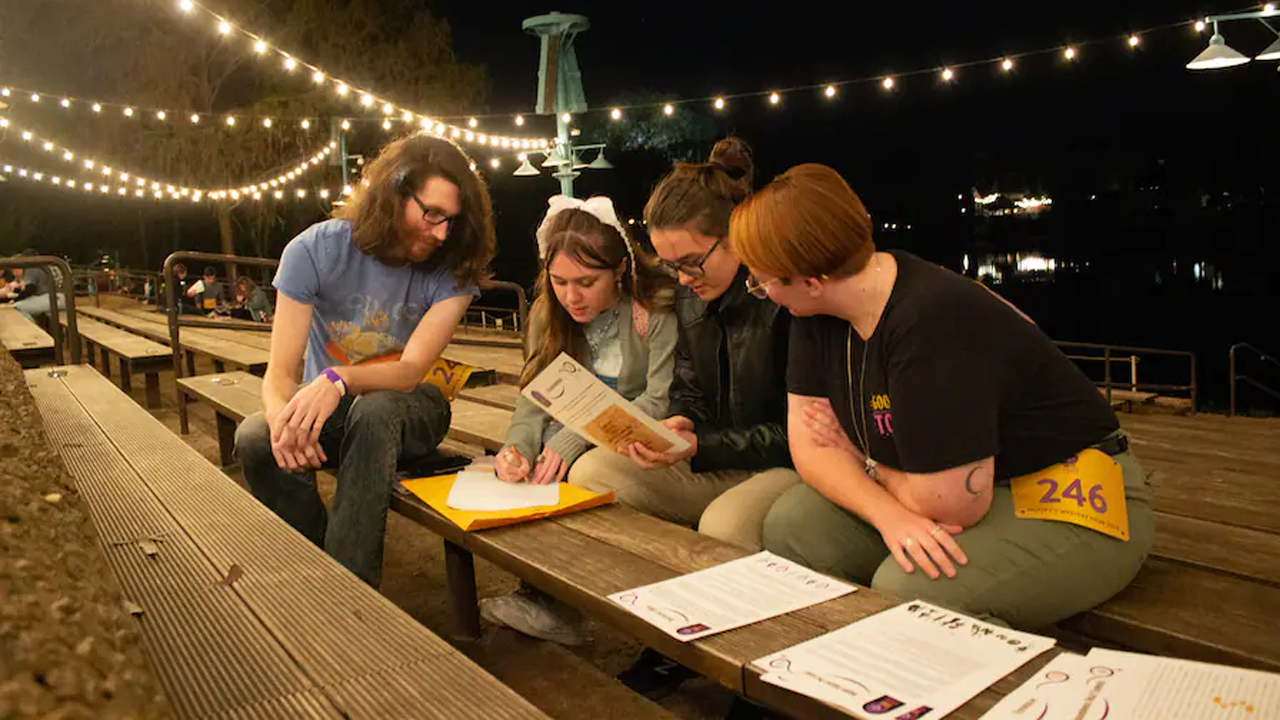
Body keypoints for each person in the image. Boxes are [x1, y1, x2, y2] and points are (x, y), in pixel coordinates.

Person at [733, 164, 1154, 630]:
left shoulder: (932, 321)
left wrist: (864, 458)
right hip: (956, 484)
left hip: (1073, 490)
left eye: (762, 281)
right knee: (793, 526)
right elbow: (810, 447)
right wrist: (888, 512)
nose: (763, 294)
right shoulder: (814, 315)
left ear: (811, 280)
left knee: (910, 589)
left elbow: (952, 503)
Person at [233, 133, 495, 587]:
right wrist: (284, 423)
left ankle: (350, 592)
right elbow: (281, 372)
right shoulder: (314, 251)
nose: (440, 233)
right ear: (392, 192)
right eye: (431, 214)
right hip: (335, 410)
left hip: (415, 406)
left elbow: (411, 370)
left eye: (452, 221)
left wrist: (337, 379)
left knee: (376, 410)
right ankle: (318, 569)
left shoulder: (451, 269)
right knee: (257, 436)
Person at [570, 138, 798, 552]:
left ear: (735, 235)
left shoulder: (782, 297)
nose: (682, 279)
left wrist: (703, 444)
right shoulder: (690, 297)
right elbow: (688, 391)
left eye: (691, 262)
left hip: (784, 465)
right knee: (591, 472)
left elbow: (802, 435)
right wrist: (679, 424)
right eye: (670, 266)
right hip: (713, 457)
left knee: (724, 526)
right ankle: (640, 590)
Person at [480, 194, 679, 645]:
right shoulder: (548, 314)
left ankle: (562, 601)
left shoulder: (656, 310)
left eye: (587, 282)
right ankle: (544, 593)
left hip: (635, 444)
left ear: (620, 270)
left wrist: (575, 438)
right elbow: (534, 401)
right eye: (560, 281)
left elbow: (658, 400)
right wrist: (516, 449)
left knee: (572, 466)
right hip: (564, 439)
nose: (572, 296)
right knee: (526, 468)